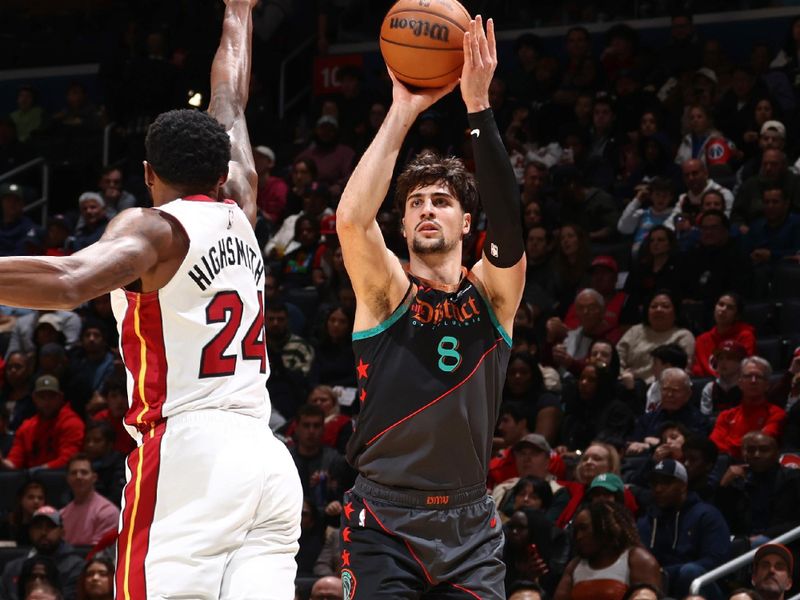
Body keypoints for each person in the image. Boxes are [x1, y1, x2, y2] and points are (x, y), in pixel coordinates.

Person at [0, 2, 302, 598]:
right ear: (222, 170)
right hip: (266, 457)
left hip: (192, 455)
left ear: (147, 172)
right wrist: (239, 11)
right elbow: (230, 100)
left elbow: (68, 281)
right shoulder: (241, 201)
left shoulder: (155, 230)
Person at [335, 16, 525, 598]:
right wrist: (403, 109)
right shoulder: (386, 291)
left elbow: (512, 227)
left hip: (470, 524)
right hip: (384, 521)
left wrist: (477, 107)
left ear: (465, 222)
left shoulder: (492, 296)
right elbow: (352, 220)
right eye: (415, 201)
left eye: (440, 201)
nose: (426, 209)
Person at [637, 459, 731, 600]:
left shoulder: (706, 515)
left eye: (666, 482)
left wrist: (667, 573)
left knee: (690, 571)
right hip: (660, 589)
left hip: (701, 589)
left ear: (683, 485)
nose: (658, 489)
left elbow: (716, 560)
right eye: (654, 483)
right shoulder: (647, 521)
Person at [553, 501, 662, 600]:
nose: (579, 536)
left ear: (605, 527)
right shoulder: (574, 565)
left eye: (584, 528)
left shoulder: (637, 559)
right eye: (576, 531)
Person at [1, 375, 84, 470]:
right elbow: (14, 460)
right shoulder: (27, 427)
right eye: (42, 397)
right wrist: (2, 462)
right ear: (34, 398)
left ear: (60, 398)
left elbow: (69, 460)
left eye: (51, 396)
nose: (47, 401)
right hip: (32, 480)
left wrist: (40, 471)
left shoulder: (71, 422)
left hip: (62, 479)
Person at [0, 506, 84, 600]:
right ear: (30, 532)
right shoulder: (13, 568)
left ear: (62, 532)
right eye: (38, 527)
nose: (43, 532)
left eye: (50, 527)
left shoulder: (76, 567)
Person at [711, 356, 786, 459]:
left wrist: (731, 445)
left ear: (767, 384)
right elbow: (714, 445)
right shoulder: (726, 416)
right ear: (740, 383)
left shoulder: (776, 413)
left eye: (759, 377)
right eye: (748, 376)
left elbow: (759, 444)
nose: (753, 381)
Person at [59, 453, 120, 546]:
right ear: (67, 479)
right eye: (73, 473)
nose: (78, 477)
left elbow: (99, 552)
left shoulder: (108, 511)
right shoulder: (62, 514)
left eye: (84, 472)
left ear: (94, 478)